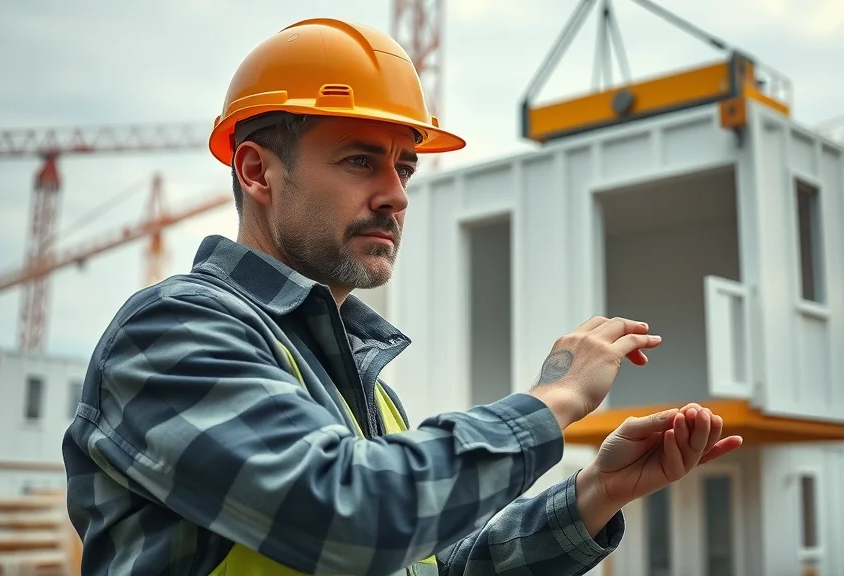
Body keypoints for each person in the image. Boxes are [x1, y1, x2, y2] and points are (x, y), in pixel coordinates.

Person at [62, 17, 742, 576]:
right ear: (256, 169)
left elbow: (430, 567)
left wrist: (596, 493)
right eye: (361, 160)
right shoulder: (172, 334)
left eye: (405, 167)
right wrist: (553, 400)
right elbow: (354, 516)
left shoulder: (361, 384)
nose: (395, 195)